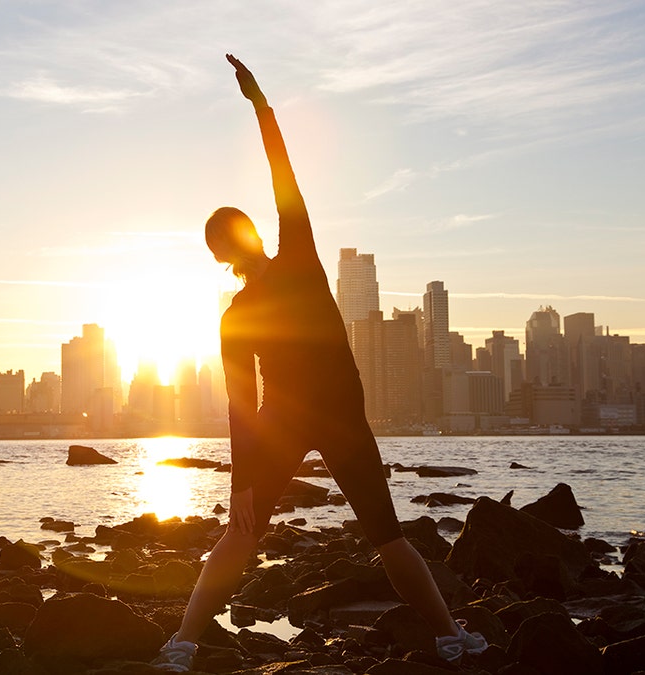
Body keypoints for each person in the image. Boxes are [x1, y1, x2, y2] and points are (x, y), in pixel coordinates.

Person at [151, 55, 489, 672]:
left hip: (336, 417)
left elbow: (284, 171)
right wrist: (242, 485)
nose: (237, 246)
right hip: (287, 420)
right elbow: (237, 403)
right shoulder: (238, 314)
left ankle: (448, 635)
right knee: (244, 534)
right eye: (227, 243)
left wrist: (261, 106)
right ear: (225, 253)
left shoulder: (297, 255)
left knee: (386, 534)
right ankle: (182, 642)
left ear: (245, 237)